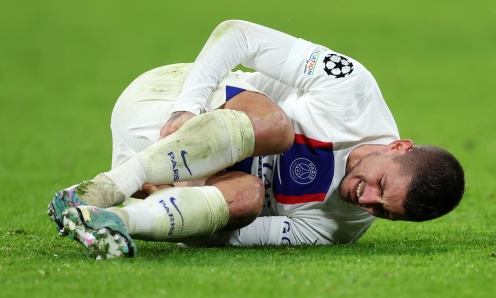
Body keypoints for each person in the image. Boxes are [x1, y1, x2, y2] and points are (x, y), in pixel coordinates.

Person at [47, 20, 465, 260]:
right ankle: (113, 185)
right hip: (164, 101)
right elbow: (237, 35)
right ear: (399, 147)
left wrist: (163, 204)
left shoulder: (342, 228)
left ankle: (104, 214)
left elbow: (225, 236)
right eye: (382, 185)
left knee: (246, 198)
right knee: (278, 129)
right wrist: (188, 109)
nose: (367, 200)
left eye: (383, 212)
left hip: (156, 175)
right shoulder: (352, 89)